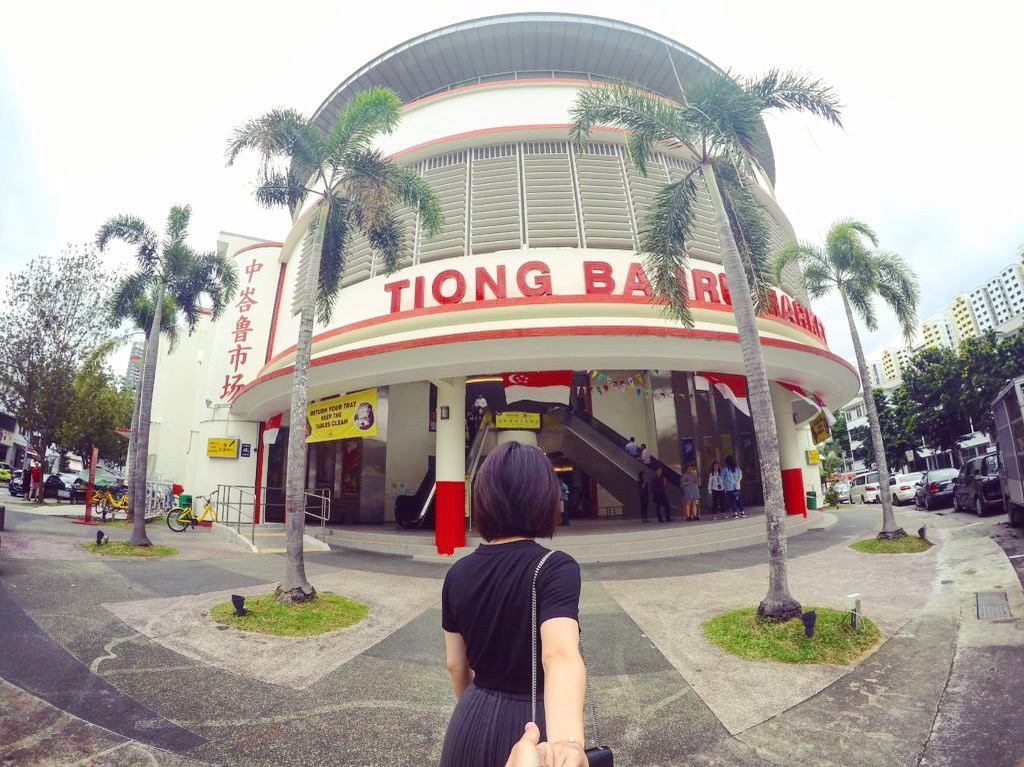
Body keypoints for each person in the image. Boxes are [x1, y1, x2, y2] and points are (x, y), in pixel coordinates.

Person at [440, 441, 588, 767]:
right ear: (543, 498)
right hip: (532, 724)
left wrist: (473, 708)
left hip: (468, 719)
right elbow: (559, 656)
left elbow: (455, 665)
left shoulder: (457, 573)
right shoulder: (555, 567)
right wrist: (567, 742)